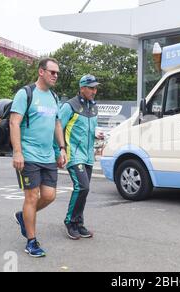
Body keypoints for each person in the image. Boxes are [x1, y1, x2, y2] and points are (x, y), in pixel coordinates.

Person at [10, 58, 68, 257]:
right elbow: (14, 123)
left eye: (57, 73)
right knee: (32, 196)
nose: (55, 76)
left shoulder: (54, 96)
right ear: (41, 72)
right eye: (52, 72)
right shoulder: (25, 93)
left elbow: (57, 124)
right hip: (29, 155)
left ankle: (22, 216)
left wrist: (61, 148)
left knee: (49, 196)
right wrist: (18, 152)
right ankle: (31, 242)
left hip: (48, 156)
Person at [56, 74, 104, 240]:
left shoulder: (94, 106)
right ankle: (70, 222)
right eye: (91, 88)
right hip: (73, 154)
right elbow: (57, 128)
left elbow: (89, 129)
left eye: (95, 87)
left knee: (84, 190)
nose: (94, 91)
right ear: (82, 88)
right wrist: (59, 151)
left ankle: (79, 223)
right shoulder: (69, 106)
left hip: (88, 155)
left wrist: (97, 135)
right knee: (82, 187)